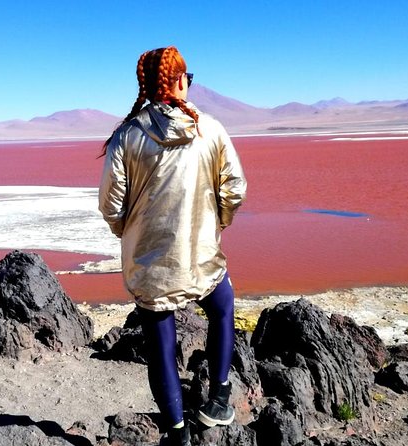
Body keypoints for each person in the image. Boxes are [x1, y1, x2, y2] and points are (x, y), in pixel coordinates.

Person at [98, 46, 246, 446]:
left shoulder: (126, 138)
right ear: (180, 81)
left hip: (150, 264)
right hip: (201, 255)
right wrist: (217, 225)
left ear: (145, 87)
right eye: (189, 77)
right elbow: (234, 189)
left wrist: (132, 238)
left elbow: (111, 205)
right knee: (222, 307)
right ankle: (218, 398)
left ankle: (177, 432)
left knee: (160, 344)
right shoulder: (210, 130)